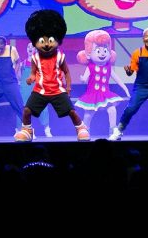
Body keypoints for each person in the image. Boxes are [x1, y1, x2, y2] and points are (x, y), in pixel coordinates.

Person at [15, 9, 91, 142]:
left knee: (71, 111)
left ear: (57, 39)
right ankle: (27, 130)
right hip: (40, 91)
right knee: (27, 110)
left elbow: (66, 72)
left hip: (57, 90)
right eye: (41, 41)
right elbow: (33, 73)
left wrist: (68, 88)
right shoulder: (35, 58)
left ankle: (81, 127)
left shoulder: (60, 56)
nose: (46, 45)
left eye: (50, 40)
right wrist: (31, 78)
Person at [75, 30, 130, 137]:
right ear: (89, 53)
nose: (102, 53)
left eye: (105, 50)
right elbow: (85, 78)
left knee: (112, 109)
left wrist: (125, 88)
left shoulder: (108, 67)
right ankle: (85, 131)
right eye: (98, 51)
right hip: (92, 95)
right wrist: (82, 79)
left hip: (105, 94)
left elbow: (116, 78)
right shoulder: (90, 67)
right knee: (88, 114)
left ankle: (113, 130)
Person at [19, 42, 52, 138]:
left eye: (32, 47)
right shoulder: (22, 64)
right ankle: (26, 130)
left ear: (35, 50)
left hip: (37, 87)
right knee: (25, 109)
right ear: (26, 50)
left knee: (43, 108)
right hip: (25, 88)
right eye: (28, 47)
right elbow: (20, 77)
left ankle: (47, 129)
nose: (30, 48)